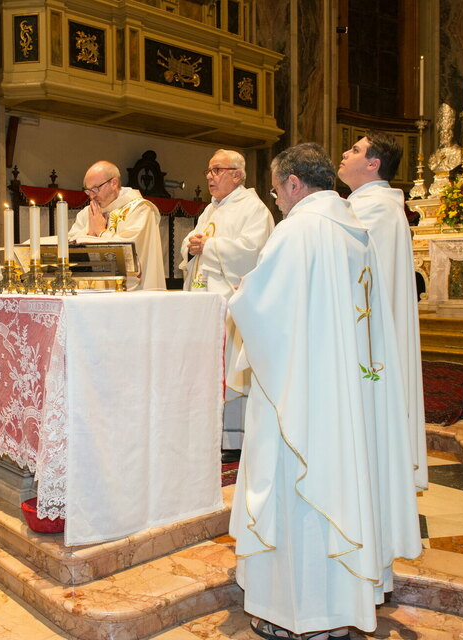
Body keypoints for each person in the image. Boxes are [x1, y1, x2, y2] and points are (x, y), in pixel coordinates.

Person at [227, 143, 421, 639]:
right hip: (350, 388)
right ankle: (344, 604)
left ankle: (301, 614)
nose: (277, 201)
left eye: (276, 191)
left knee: (300, 484)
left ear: (294, 184)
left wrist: (236, 299)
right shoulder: (355, 228)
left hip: (306, 394)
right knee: (343, 479)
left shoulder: (299, 230)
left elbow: (263, 305)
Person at [338, 131, 428, 491]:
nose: (345, 153)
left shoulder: (375, 207)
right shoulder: (367, 203)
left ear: (373, 164)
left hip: (368, 327)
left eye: (356, 150)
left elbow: (348, 264)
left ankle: (371, 477)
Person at [179, 149, 273, 459]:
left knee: (231, 371)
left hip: (233, 303)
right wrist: (191, 246)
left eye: (217, 170)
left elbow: (253, 251)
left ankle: (234, 440)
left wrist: (209, 245)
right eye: (208, 170)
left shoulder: (253, 209)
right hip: (204, 300)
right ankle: (209, 433)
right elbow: (193, 242)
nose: (209, 176)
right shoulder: (210, 210)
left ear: (237, 175)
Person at [68, 160, 166, 291]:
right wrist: (90, 234)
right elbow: (69, 246)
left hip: (132, 294)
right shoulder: (88, 212)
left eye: (95, 189)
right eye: (88, 191)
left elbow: (132, 252)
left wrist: (101, 232)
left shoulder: (140, 209)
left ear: (113, 183)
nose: (91, 196)